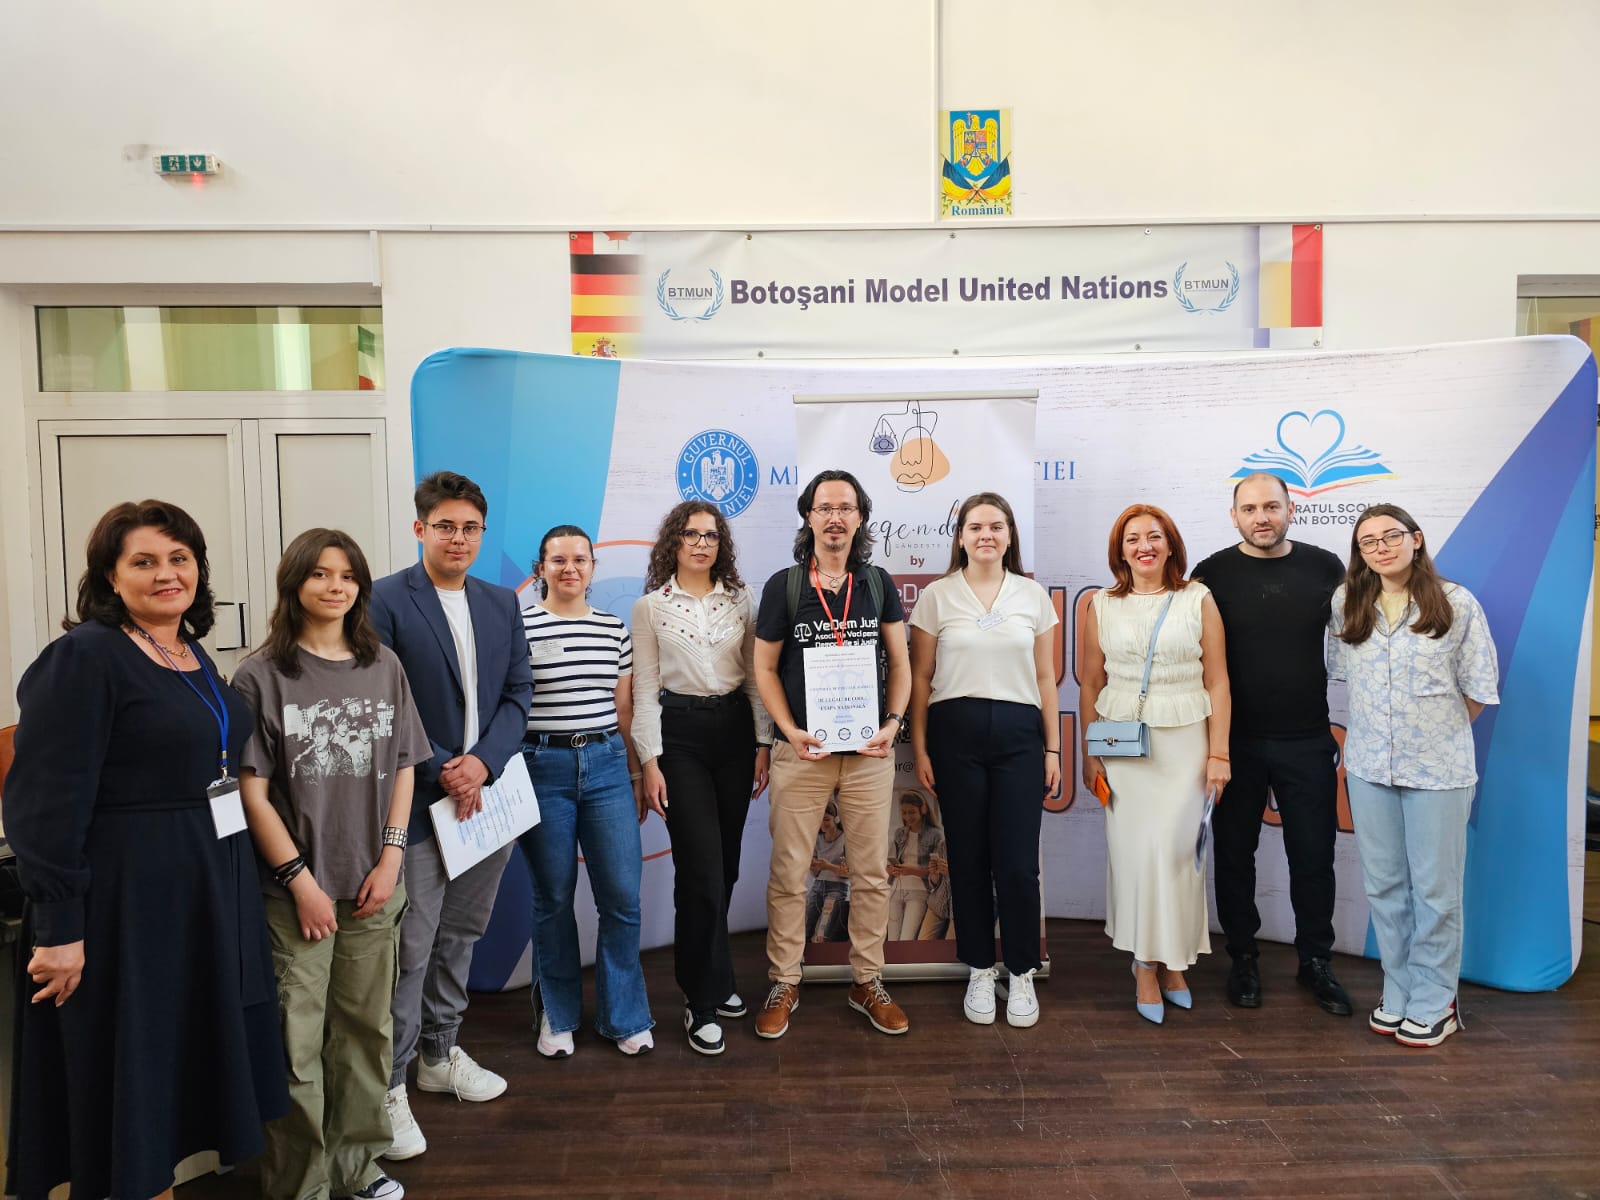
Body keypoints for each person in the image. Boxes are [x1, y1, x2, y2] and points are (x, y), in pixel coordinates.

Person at [4, 500, 288, 1200]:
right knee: (133, 1078)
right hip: (125, 904)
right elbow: (43, 803)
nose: (167, 574)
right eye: (145, 561)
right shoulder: (85, 656)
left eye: (180, 558)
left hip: (203, 889)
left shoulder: (189, 652)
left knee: (172, 1081)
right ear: (111, 575)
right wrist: (59, 928)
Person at [233, 529, 432, 1200]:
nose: (335, 586)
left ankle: (356, 1167)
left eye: (347, 575)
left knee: (365, 1035)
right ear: (294, 583)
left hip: (374, 886)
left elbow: (404, 764)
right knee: (295, 1047)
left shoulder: (384, 665)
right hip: (295, 896)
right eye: (320, 573)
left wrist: (393, 855)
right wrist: (300, 883)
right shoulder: (260, 675)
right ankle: (302, 1184)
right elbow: (251, 793)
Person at [369, 472, 533, 1161]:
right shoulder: (384, 599)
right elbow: (379, 699)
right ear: (420, 529)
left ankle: (439, 1054)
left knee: (461, 933)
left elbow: (519, 692)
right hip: (418, 799)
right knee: (411, 946)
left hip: (486, 801)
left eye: (469, 528)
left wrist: (483, 764)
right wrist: (445, 767)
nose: (458, 538)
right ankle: (389, 1085)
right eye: (444, 526)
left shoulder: (500, 601)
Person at [1328, 503, 1499, 1048]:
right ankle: (1399, 991)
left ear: (1416, 539)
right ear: (1360, 553)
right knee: (1384, 888)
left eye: (1391, 536)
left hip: (1439, 773)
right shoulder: (1347, 602)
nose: (1380, 547)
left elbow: (1478, 689)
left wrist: (1431, 735)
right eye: (1368, 541)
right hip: (1369, 768)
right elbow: (1342, 673)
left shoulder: (1456, 603)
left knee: (1435, 892)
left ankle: (1435, 1000)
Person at [752, 468, 913, 1039]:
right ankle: (784, 981)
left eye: (846, 508)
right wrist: (788, 731)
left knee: (870, 873)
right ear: (809, 517)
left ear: (860, 517)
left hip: (867, 752)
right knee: (789, 872)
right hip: (803, 753)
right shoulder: (785, 585)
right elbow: (764, 668)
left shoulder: (877, 583)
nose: (836, 518)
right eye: (825, 508)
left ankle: (867, 980)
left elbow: (901, 662)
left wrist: (893, 723)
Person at [1191, 473, 1352, 1016]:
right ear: (1234, 515)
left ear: (1290, 509)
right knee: (1235, 856)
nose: (1261, 517)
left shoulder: (1326, 567)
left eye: (1271, 507)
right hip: (1233, 743)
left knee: (1314, 857)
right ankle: (1243, 958)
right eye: (1249, 508)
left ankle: (1315, 961)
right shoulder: (1211, 574)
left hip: (1308, 739)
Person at [908, 490, 1060, 1027]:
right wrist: (920, 748)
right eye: (975, 527)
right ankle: (978, 968)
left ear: (1010, 534)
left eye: (996, 526)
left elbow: (1046, 677)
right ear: (961, 537)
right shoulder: (937, 596)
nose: (986, 535)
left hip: (1020, 737)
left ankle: (1020, 972)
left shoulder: (1032, 595)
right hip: (955, 736)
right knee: (968, 860)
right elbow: (921, 679)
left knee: (1017, 865)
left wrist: (1052, 748)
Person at [629, 501, 772, 1056]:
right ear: (674, 541)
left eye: (711, 536)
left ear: (721, 544)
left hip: (734, 733)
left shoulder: (741, 598)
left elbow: (756, 679)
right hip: (679, 737)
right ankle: (701, 999)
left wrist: (762, 743)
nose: (701, 543)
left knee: (726, 866)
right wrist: (649, 761)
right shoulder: (650, 607)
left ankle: (718, 975)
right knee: (701, 870)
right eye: (691, 534)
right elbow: (645, 690)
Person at [1080, 504, 1231, 1024]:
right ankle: (1146, 964)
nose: (1143, 546)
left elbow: (1217, 681)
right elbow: (1091, 683)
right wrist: (1089, 752)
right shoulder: (1100, 605)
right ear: (1120, 551)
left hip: (1187, 743)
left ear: (1170, 545)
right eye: (1132, 539)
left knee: (1177, 855)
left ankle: (1173, 960)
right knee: (1136, 857)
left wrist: (1219, 753)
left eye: (1154, 536)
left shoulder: (1198, 599)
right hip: (1123, 745)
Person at [519, 525, 655, 1057]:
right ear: (541, 568)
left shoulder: (612, 629)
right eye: (558, 559)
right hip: (542, 767)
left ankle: (625, 1017)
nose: (569, 568)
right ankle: (557, 1016)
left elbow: (624, 707)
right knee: (553, 897)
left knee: (621, 897)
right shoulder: (519, 626)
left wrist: (636, 774)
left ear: (593, 567)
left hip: (606, 767)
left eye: (580, 559)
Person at [804, 800, 849, 943]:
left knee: (823, 933)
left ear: (836, 818)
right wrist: (813, 866)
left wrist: (828, 866)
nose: (823, 823)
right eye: (819, 820)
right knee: (805, 928)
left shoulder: (845, 839)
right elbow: (815, 873)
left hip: (837, 887)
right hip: (818, 885)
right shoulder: (817, 839)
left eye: (826, 819)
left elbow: (848, 872)